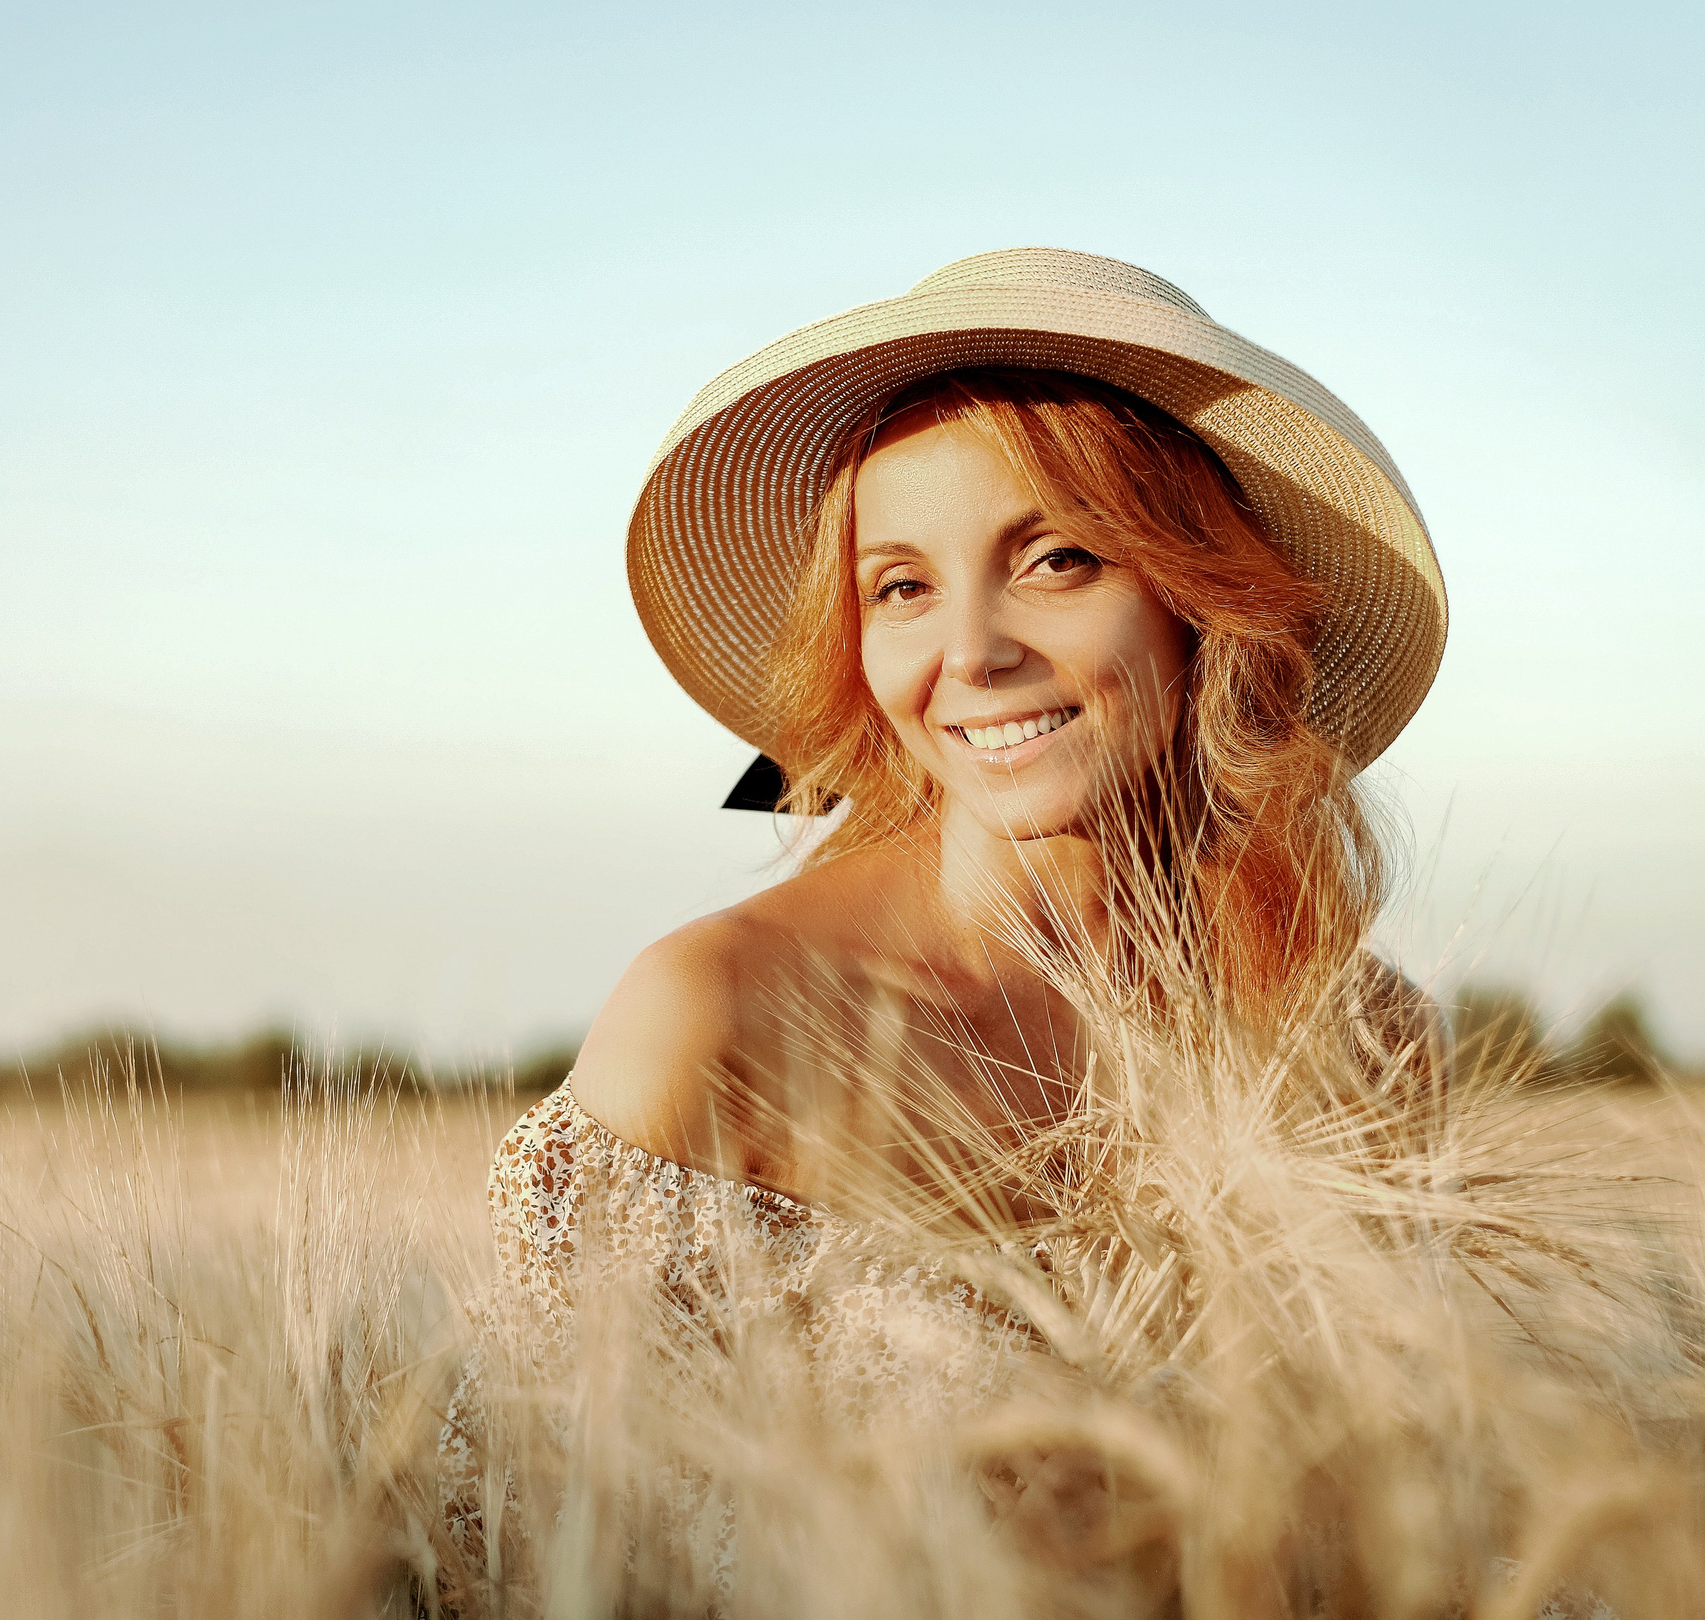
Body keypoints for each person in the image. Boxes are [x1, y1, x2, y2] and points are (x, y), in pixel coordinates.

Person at [437, 248, 1449, 1598]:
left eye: (1058, 561)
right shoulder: (721, 1016)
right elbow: (516, 1544)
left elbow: (1405, 1533)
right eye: (902, 588)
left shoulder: (1362, 1040)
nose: (970, 652)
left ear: (1200, 602)